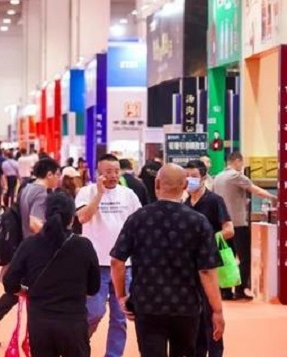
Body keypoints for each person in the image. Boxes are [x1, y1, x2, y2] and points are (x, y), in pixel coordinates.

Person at [111, 163, 225, 357]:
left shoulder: (138, 218)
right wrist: (217, 310)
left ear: (157, 184)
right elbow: (207, 270)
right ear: (185, 186)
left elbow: (117, 261)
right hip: (186, 305)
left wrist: (121, 296)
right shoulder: (198, 221)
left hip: (147, 303)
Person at [0, 157, 60, 347]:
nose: (58, 178)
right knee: (29, 293)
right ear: (49, 174)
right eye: (57, 174)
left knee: (17, 292)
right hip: (34, 251)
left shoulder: (27, 187)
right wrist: (55, 235)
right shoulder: (41, 194)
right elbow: (35, 223)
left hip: (22, 247)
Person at [3, 194, 100, 357]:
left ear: (46, 215)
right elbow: (93, 288)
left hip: (40, 324)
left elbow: (9, 282)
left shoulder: (30, 245)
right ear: (72, 218)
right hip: (73, 323)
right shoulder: (84, 246)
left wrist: (24, 291)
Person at [75, 153, 141, 357]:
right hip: (95, 264)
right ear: (98, 173)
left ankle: (113, 354)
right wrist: (99, 194)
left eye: (116, 171)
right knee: (94, 312)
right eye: (108, 172)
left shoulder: (129, 194)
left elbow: (138, 224)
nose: (113, 176)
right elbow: (83, 218)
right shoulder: (86, 192)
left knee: (120, 317)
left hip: (123, 265)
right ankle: (78, 344)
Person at [212, 151, 278, 301]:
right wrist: (274, 197)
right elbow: (255, 189)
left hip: (222, 224)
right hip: (238, 223)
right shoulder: (236, 175)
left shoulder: (217, 178)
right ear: (237, 161)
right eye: (241, 163)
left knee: (226, 257)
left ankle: (225, 291)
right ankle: (240, 290)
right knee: (245, 257)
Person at [185, 159, 234, 357]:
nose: (189, 180)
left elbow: (229, 229)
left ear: (203, 178)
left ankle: (215, 352)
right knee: (194, 316)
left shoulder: (214, 201)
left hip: (209, 266)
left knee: (211, 313)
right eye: (186, 176)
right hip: (189, 268)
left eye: (194, 176)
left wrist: (210, 239)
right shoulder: (185, 204)